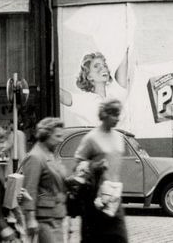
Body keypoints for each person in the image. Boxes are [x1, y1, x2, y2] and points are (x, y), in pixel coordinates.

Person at [73, 99, 128, 243]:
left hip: (114, 196)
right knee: (93, 238)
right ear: (104, 114)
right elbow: (78, 165)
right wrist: (94, 166)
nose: (118, 118)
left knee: (120, 237)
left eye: (119, 114)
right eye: (114, 114)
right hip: (94, 198)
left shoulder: (119, 138)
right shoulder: (91, 138)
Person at [20, 117, 67, 243]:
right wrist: (30, 219)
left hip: (56, 215)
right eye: (58, 136)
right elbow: (30, 190)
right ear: (46, 135)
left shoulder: (51, 154)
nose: (61, 140)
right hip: (44, 219)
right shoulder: (35, 156)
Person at [70, 52, 132, 128]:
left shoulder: (115, 93)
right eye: (96, 66)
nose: (103, 68)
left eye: (104, 65)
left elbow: (125, 55)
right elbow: (61, 95)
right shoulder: (85, 100)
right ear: (89, 76)